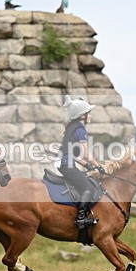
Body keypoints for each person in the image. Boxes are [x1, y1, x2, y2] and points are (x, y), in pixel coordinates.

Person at [58, 95, 104, 229]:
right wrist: (99, 166)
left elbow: (76, 155)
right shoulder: (80, 130)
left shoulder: (71, 127)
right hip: (67, 165)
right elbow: (87, 155)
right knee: (88, 188)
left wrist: (87, 166)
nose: (91, 116)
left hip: (65, 163)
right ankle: (81, 219)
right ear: (82, 115)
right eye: (89, 113)